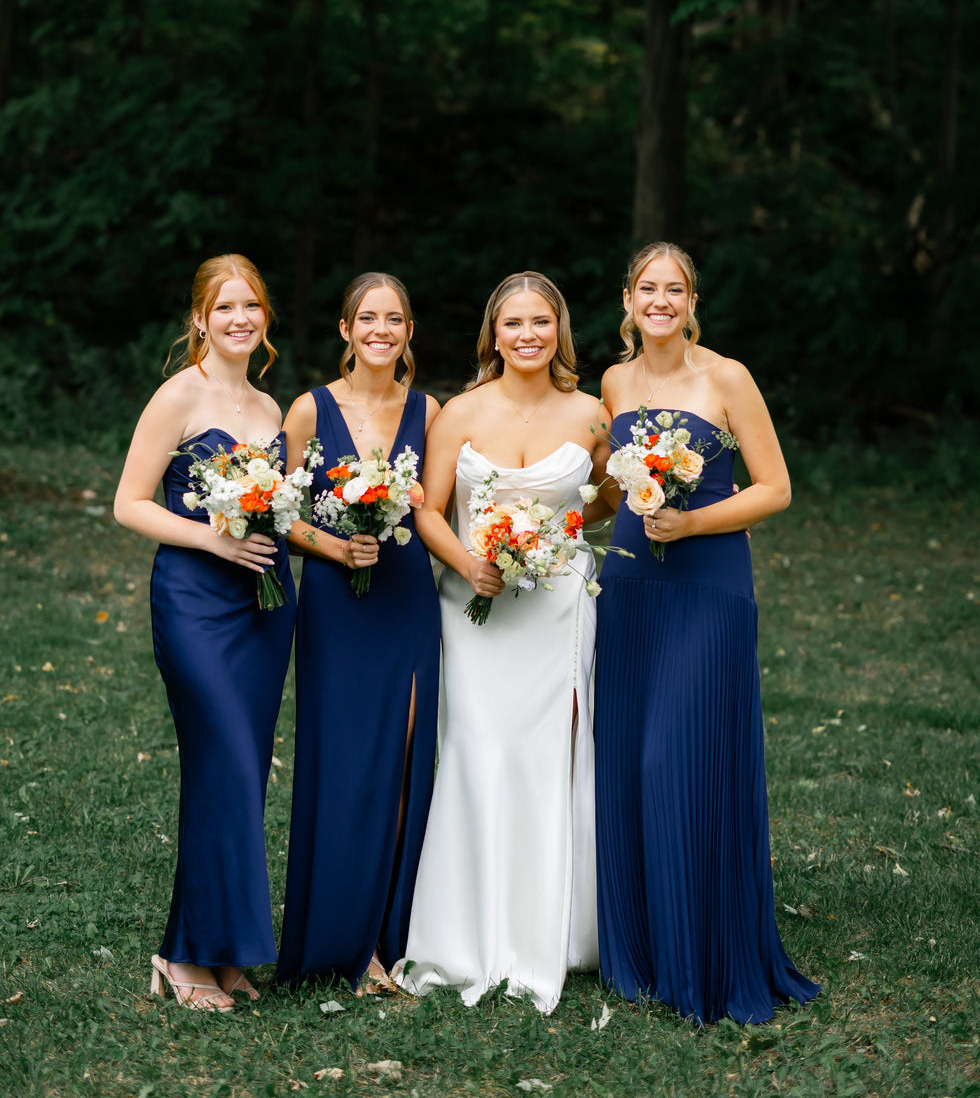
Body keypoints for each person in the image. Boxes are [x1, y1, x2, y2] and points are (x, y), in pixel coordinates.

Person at [593, 240, 820, 1024]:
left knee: (672, 757)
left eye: (675, 289)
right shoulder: (615, 381)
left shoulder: (726, 378)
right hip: (628, 584)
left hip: (707, 586)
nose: (660, 300)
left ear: (693, 302)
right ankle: (643, 951)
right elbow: (605, 486)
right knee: (626, 763)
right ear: (627, 299)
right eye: (647, 288)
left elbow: (776, 488)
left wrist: (690, 524)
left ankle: (706, 952)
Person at [395, 271, 611, 1014]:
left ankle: (554, 934)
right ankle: (466, 937)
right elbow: (426, 508)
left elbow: (606, 498)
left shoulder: (592, 413)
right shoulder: (460, 412)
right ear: (493, 333)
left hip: (555, 613)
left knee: (549, 760)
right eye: (513, 323)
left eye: (540, 323)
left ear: (560, 331)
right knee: (478, 752)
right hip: (473, 610)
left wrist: (556, 545)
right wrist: (470, 564)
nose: (527, 336)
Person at [114, 254, 295, 1010]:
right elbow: (128, 504)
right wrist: (210, 539)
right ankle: (184, 954)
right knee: (219, 756)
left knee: (244, 773)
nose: (239, 319)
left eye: (251, 305)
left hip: (264, 604)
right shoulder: (177, 397)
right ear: (200, 319)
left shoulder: (270, 407)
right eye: (225, 307)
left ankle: (223, 954)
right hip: (195, 599)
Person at [276, 273, 441, 994]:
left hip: (406, 596)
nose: (381, 330)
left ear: (409, 332)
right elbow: (278, 511)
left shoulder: (429, 410)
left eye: (394, 319)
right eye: (367, 318)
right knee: (343, 764)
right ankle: (340, 941)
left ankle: (392, 937)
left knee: (405, 762)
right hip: (337, 604)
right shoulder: (309, 410)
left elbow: (437, 507)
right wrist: (336, 546)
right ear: (345, 330)